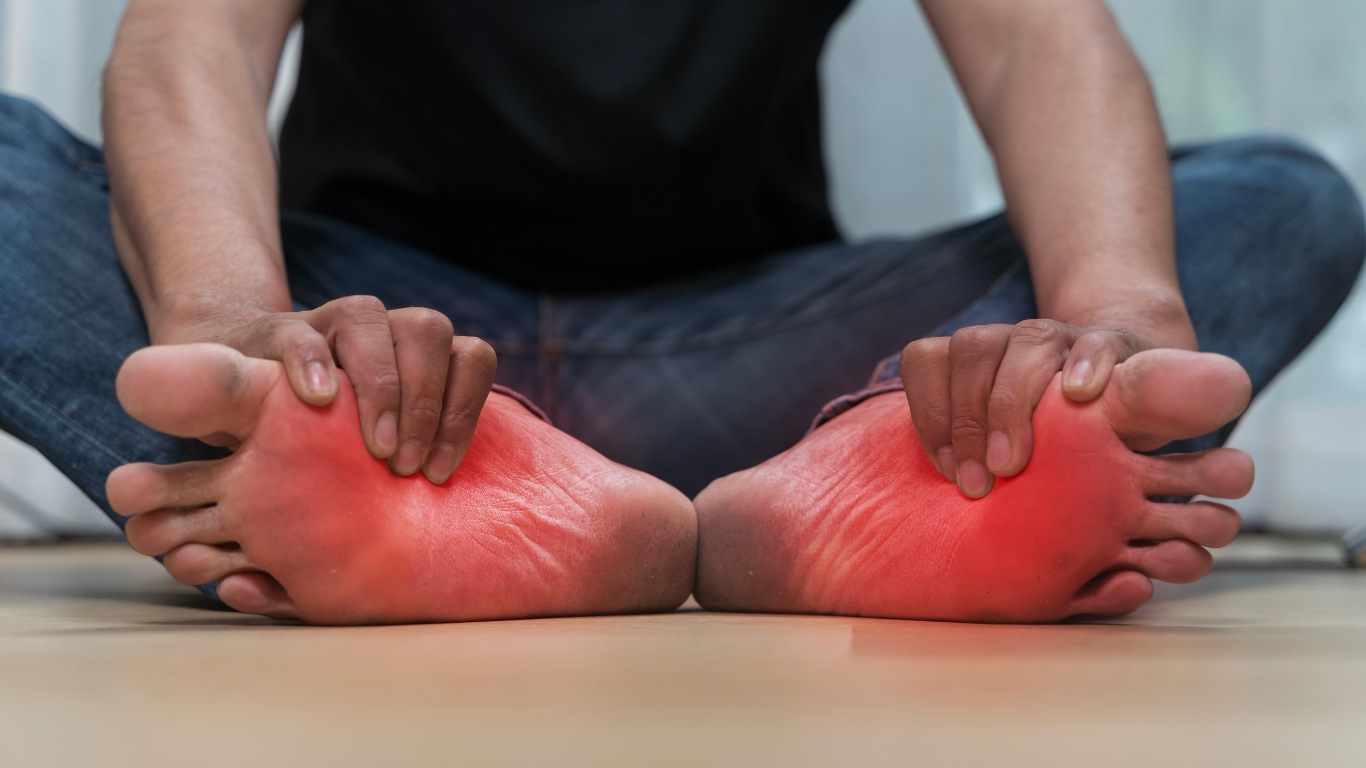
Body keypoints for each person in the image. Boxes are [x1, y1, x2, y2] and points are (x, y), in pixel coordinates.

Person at [0, 0, 1361, 623]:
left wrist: (1107, 319)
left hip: (753, 357)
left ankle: (862, 472)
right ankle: (330, 461)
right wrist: (243, 327)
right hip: (377, 368)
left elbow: (1033, 37)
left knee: (1279, 195)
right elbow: (194, 36)